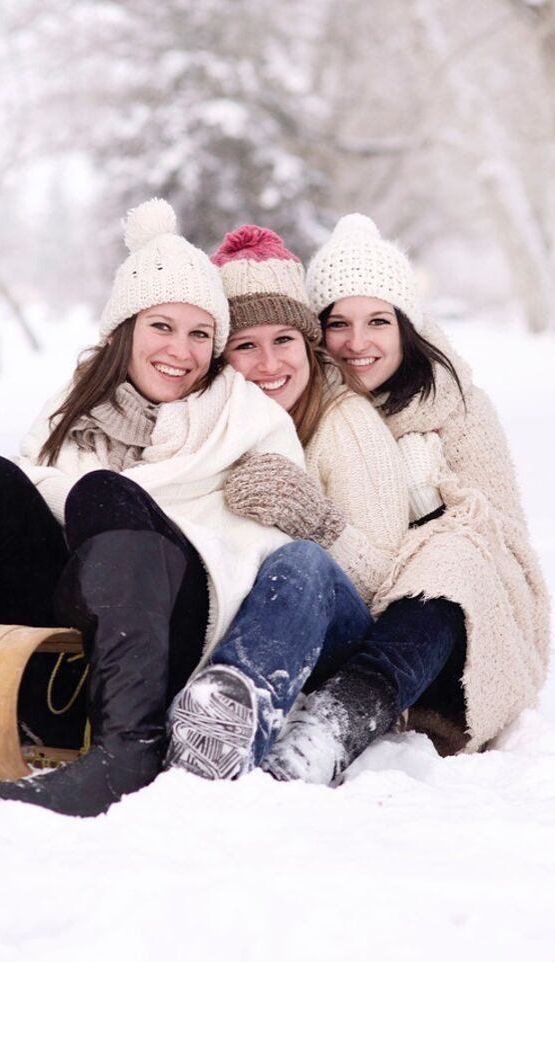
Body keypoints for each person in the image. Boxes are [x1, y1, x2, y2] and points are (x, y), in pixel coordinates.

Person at [0, 199, 342, 817]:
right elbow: (29, 503)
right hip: (76, 618)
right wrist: (94, 519)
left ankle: (128, 749)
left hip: (181, 627)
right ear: (125, 330)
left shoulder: (247, 418)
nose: (182, 350)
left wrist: (117, 509)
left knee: (101, 493)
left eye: (200, 334)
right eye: (161, 327)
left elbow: (260, 558)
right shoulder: (76, 410)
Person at [257, 213, 551, 784]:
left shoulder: (455, 406)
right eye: (338, 323)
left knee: (456, 555)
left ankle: (335, 726)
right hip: (346, 608)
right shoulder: (307, 403)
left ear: (405, 327)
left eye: (377, 322)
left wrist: (435, 507)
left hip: (447, 627)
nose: (357, 343)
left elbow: (506, 544)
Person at [166, 224, 410, 778]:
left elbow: (388, 583)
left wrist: (315, 521)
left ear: (308, 344)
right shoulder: (216, 423)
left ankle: (231, 717)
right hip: (233, 617)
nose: (269, 363)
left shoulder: (344, 424)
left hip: (338, 639)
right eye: (246, 346)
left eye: (284, 341)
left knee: (300, 563)